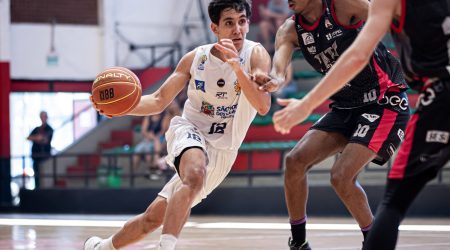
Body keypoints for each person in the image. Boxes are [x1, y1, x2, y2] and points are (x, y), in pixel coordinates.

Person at [85, 1, 271, 249]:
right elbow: (159, 100)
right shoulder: (195, 59)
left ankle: (102, 247)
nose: (237, 29)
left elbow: (262, 106)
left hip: (223, 152)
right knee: (195, 172)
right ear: (214, 28)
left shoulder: (256, 54)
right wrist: (120, 108)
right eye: (229, 23)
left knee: (152, 218)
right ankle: (166, 247)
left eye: (242, 21)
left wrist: (236, 66)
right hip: (190, 131)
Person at [269, 0, 449, 249]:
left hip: (385, 100)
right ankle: (299, 243)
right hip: (345, 105)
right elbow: (278, 71)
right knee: (294, 161)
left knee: (341, 176)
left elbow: (385, 18)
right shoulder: (289, 30)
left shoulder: (343, 5)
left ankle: (372, 241)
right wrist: (270, 80)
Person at [27, 111, 53, 189]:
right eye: (41, 116)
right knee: (37, 177)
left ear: (47, 117)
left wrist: (37, 138)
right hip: (36, 157)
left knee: (45, 176)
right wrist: (37, 138)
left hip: (45, 157)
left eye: (44, 116)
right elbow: (29, 137)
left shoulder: (49, 129)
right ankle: (37, 189)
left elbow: (45, 140)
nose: (43, 118)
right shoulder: (37, 129)